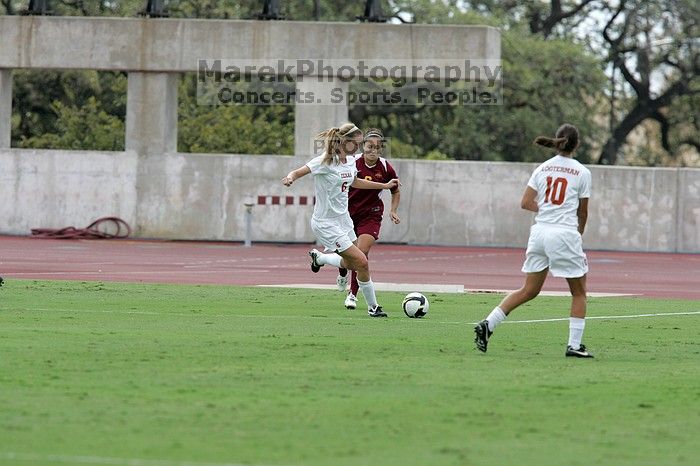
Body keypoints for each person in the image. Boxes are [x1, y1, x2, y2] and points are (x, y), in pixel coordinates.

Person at [474, 123, 594, 358]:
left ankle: (488, 324)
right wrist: (578, 232)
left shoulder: (542, 169)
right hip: (564, 233)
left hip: (539, 234)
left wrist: (547, 210)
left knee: (529, 289)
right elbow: (583, 212)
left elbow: (526, 202)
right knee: (579, 293)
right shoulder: (582, 172)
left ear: (557, 141)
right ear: (577, 144)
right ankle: (574, 346)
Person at [282, 123, 400, 317]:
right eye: (358, 143)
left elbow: (354, 181)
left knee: (353, 262)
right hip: (326, 223)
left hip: (344, 220)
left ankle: (320, 258)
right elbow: (299, 171)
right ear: (346, 142)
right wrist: (290, 178)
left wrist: (385, 186)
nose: (360, 147)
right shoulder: (325, 161)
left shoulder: (350, 162)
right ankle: (373, 308)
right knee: (361, 260)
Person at [336, 128, 401, 310]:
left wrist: (393, 210)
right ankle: (342, 271)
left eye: (377, 147)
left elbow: (395, 189)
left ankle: (352, 295)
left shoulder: (385, 167)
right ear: (363, 146)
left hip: (370, 215)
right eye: (369, 146)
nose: (373, 150)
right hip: (347, 213)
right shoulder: (351, 162)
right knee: (344, 253)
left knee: (361, 253)